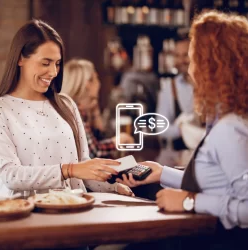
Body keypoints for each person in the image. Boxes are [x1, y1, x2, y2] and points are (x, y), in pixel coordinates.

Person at [118, 11, 248, 249]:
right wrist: (162, 173)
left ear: (212, 66)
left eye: (193, 59)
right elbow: (217, 183)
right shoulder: (228, 119)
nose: (188, 69)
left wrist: (190, 202)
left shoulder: (230, 129)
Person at [0, 20, 133, 198]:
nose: (53, 72)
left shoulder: (66, 104)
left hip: (72, 210)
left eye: (57, 64)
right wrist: (68, 170)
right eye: (45, 63)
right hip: (24, 215)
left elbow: (83, 167)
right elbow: (10, 175)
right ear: (21, 58)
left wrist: (114, 188)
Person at [61, 58, 134, 159]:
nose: (99, 83)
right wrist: (117, 141)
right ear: (88, 84)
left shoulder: (80, 108)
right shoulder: (74, 111)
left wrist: (95, 112)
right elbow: (94, 153)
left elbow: (101, 137)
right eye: (96, 79)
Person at [156, 32, 195, 151]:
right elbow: (160, 127)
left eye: (185, 55)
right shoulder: (170, 87)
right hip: (180, 158)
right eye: (177, 56)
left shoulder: (211, 85)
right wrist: (185, 130)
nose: (180, 60)